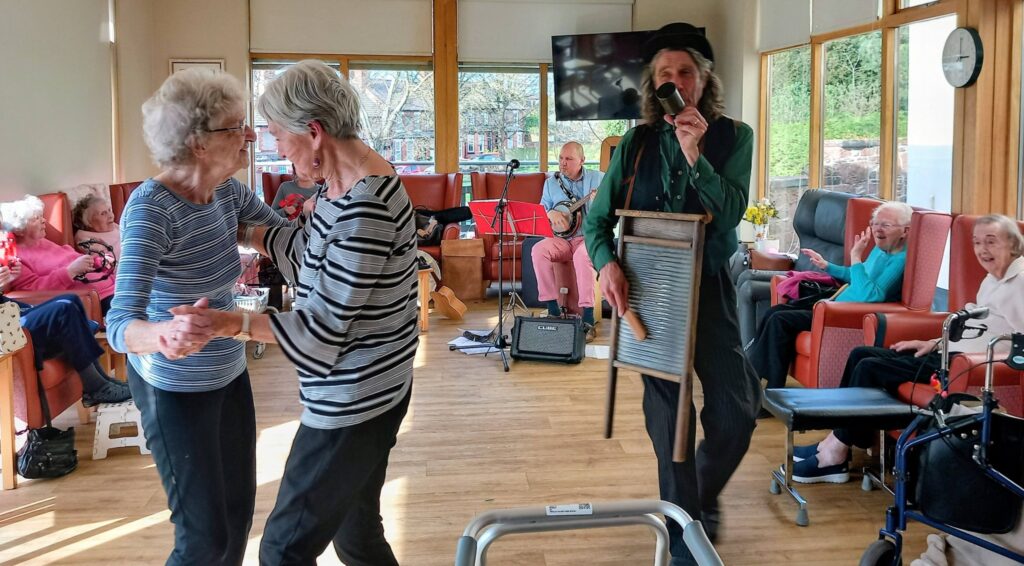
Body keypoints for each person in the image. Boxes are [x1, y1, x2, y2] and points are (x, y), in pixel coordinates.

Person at [169, 59, 418, 566]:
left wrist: (228, 323)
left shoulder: (364, 209)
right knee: (357, 537)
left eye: (280, 137)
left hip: (353, 403)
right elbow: (309, 250)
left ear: (314, 130)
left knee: (282, 551)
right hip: (377, 387)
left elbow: (319, 333)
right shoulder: (348, 181)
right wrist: (244, 230)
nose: (278, 151)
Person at [583, 23, 762, 565]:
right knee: (670, 423)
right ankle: (685, 541)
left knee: (736, 412)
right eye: (665, 74)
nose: (676, 81)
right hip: (650, 294)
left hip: (708, 289)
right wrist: (606, 264)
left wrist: (693, 153)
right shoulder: (633, 143)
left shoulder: (736, 136)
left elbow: (730, 213)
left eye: (685, 72)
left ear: (704, 80)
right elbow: (596, 221)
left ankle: (695, 502)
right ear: (652, 85)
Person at [104, 67, 291, 565]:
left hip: (228, 375)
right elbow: (119, 325)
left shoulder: (227, 192)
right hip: (173, 389)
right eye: (237, 126)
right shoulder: (151, 210)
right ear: (200, 143)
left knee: (237, 519)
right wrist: (164, 332)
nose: (250, 134)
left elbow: (284, 236)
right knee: (202, 538)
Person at [790, 214, 1024, 484]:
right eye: (977, 242)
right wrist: (931, 342)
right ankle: (838, 441)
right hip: (946, 353)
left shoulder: (1019, 283)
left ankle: (834, 454)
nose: (982, 250)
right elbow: (971, 325)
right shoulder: (992, 279)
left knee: (870, 366)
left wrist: (970, 357)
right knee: (860, 354)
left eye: (991, 242)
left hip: (967, 366)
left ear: (1012, 244)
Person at [746, 200, 913, 390]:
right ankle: (753, 380)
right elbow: (856, 276)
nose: (877, 229)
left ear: (905, 231)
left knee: (780, 320)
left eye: (886, 225)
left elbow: (871, 295)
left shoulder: (900, 261)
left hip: (843, 315)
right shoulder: (880, 250)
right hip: (834, 303)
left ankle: (771, 388)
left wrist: (856, 257)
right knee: (773, 312)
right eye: (874, 223)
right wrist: (827, 266)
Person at [0, 263, 129, 406]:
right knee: (63, 310)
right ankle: (96, 387)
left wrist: (5, 282)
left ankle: (102, 380)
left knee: (71, 299)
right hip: (6, 326)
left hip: (10, 311)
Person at [532, 141, 604, 341]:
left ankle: (588, 318)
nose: (563, 164)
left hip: (587, 239)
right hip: (562, 240)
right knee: (538, 251)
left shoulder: (598, 179)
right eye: (561, 159)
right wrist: (551, 212)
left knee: (582, 257)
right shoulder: (550, 183)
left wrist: (600, 201)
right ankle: (552, 309)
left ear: (582, 160)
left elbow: (612, 206)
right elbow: (542, 210)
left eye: (569, 159)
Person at [0, 195, 117, 314]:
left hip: (113, 287)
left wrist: (99, 261)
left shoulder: (43, 241)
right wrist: (70, 272)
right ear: (19, 230)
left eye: (42, 216)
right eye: (36, 218)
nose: (44, 220)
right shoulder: (16, 257)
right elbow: (32, 290)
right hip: (99, 298)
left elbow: (75, 259)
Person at [72, 194, 121, 259]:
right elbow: (101, 260)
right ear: (88, 222)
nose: (110, 216)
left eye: (109, 210)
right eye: (103, 213)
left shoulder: (114, 225)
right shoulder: (84, 237)